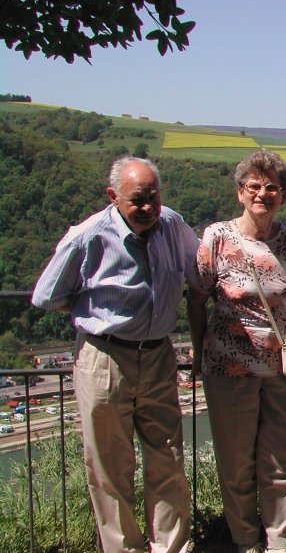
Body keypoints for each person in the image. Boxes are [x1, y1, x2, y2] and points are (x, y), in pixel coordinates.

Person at [31, 156, 199, 553]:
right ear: (113, 197)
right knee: (109, 465)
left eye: (153, 198)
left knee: (168, 458)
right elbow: (45, 296)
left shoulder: (173, 225)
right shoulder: (88, 236)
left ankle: (170, 547)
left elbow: (200, 267)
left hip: (158, 355)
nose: (148, 208)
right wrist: (91, 313)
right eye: (138, 199)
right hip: (104, 356)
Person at [187, 149, 286, 553]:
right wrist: (198, 351)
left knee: (278, 463)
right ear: (240, 191)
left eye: (272, 187)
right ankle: (246, 542)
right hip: (228, 369)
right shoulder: (218, 237)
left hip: (280, 369)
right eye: (254, 186)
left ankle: (279, 543)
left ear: (283, 195)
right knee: (237, 463)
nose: (263, 194)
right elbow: (197, 298)